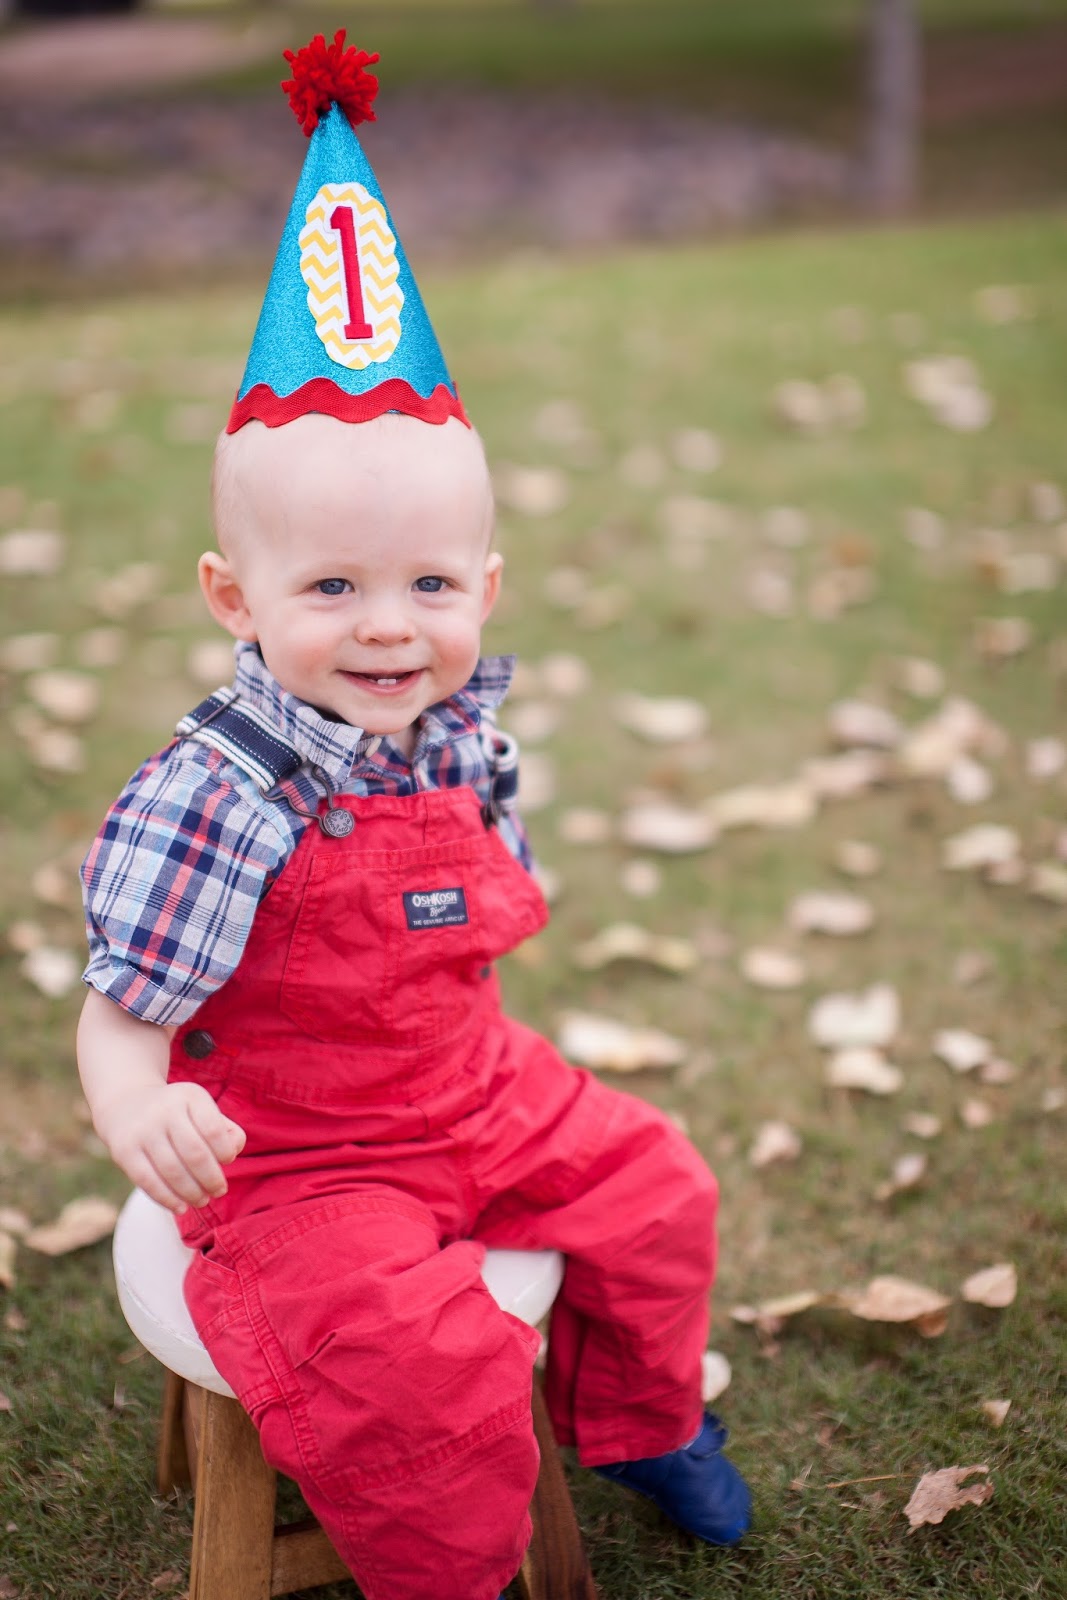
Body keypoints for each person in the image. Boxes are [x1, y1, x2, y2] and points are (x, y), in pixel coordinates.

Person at [76, 32, 751, 1600]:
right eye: (332, 588)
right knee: (425, 1369)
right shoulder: (219, 793)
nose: (390, 628)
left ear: (485, 588)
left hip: (470, 1090)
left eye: (429, 585)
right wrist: (131, 1107)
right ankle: (450, 1571)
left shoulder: (457, 730)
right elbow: (119, 1013)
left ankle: (640, 1418)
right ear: (233, 599)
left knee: (658, 1185)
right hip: (302, 1162)